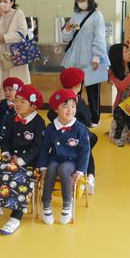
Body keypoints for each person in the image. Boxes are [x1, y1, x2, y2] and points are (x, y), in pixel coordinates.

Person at [0, 84, 45, 235]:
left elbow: (37, 147)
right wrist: (6, 153)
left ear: (33, 106)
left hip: (29, 164)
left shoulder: (39, 122)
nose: (17, 104)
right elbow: (6, 139)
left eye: (22, 101)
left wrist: (21, 160)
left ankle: (15, 217)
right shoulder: (12, 118)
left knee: (20, 181)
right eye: (16, 100)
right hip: (10, 159)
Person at [38, 89, 90, 225]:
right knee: (51, 168)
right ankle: (46, 203)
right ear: (56, 109)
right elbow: (44, 148)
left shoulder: (80, 128)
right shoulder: (51, 128)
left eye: (73, 106)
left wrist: (79, 171)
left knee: (64, 169)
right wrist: (42, 167)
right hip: (55, 159)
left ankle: (67, 203)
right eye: (65, 106)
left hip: (72, 161)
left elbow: (85, 151)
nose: (70, 110)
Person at [61, 0, 108, 127]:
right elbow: (67, 37)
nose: (79, 2)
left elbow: (99, 37)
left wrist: (97, 57)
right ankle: (75, 116)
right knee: (75, 90)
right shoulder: (75, 15)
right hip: (75, 57)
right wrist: (66, 30)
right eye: (77, 0)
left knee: (93, 90)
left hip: (91, 57)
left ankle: (94, 118)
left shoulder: (97, 15)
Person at [47, 68, 97, 194]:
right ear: (78, 86)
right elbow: (88, 120)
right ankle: (90, 176)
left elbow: (50, 114)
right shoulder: (78, 101)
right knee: (87, 149)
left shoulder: (60, 97)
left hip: (60, 134)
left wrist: (61, 122)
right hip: (77, 135)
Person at [0, 0, 31, 100]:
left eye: (5, 1)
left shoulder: (18, 13)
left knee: (17, 81)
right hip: (1, 53)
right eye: (0, 1)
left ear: (11, 2)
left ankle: (18, 104)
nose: (2, 3)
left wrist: (6, 38)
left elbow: (23, 32)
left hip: (15, 52)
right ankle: (3, 105)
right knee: (1, 80)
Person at [0, 76, 23, 152]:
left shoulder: (22, 104)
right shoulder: (3, 103)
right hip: (1, 130)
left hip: (15, 131)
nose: (7, 93)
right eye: (5, 90)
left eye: (10, 90)